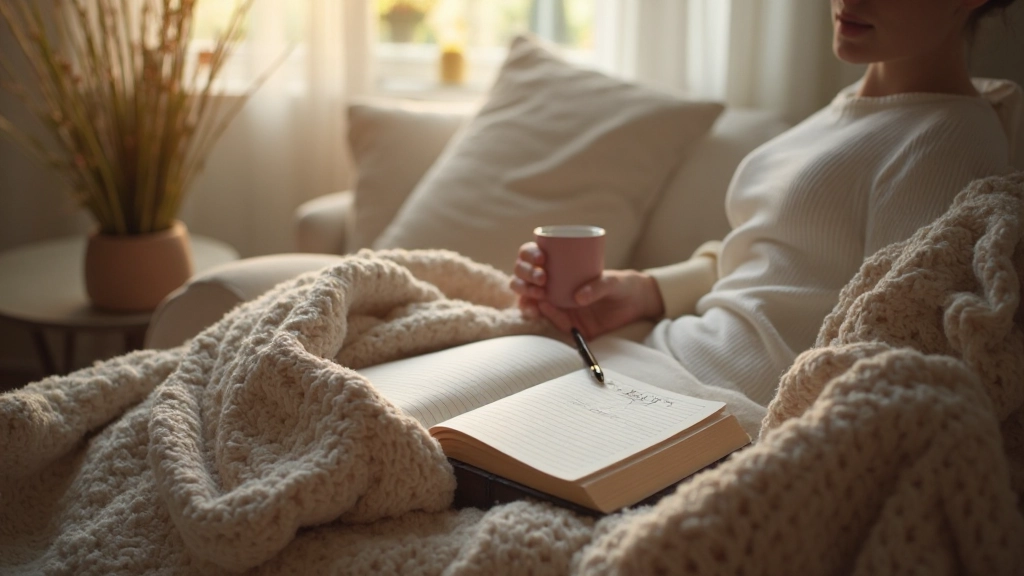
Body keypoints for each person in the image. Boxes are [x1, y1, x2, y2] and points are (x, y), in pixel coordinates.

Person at [511, 0, 1022, 407]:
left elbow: (893, 340)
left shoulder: (951, 138)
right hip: (655, 360)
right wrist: (645, 292)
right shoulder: (846, 114)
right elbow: (773, 263)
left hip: (711, 408)